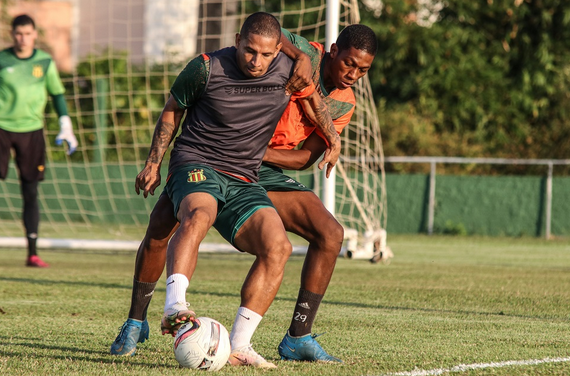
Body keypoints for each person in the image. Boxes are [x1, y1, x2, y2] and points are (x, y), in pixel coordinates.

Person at [110, 23, 377, 365]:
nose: (354, 74)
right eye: (349, 64)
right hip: (205, 153)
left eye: (363, 70)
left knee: (328, 234)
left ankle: (297, 335)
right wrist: (298, 57)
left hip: (257, 164)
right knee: (165, 225)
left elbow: (306, 156)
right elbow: (269, 33)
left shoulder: (342, 104)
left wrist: (251, 148)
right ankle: (138, 320)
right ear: (332, 52)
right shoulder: (297, 56)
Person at [0, 14, 78, 268]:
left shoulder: (44, 62)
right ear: (13, 34)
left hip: (32, 130)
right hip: (1, 127)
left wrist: (65, 122)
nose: (23, 38)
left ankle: (32, 253)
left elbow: (57, 94)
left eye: (27, 33)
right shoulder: (2, 59)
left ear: (34, 35)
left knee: (30, 191)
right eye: (18, 33)